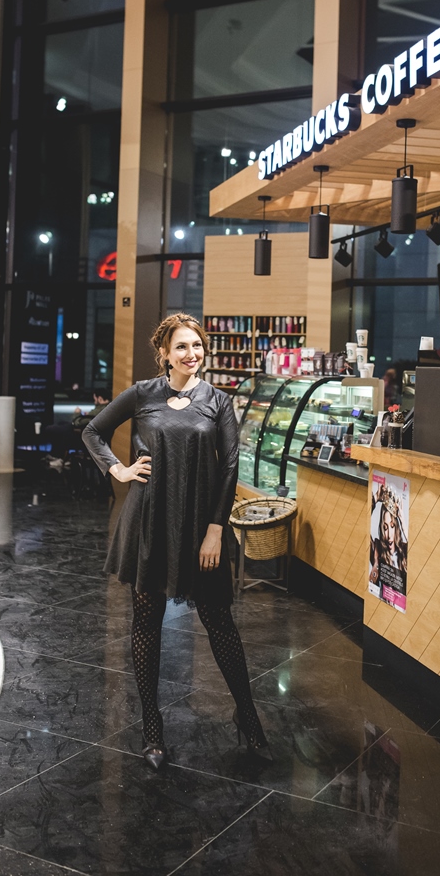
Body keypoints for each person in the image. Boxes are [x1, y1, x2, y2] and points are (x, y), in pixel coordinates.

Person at [82, 312, 270, 770]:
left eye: (198, 346)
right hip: (149, 518)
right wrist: (119, 470)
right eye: (182, 347)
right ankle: (152, 729)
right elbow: (92, 431)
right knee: (146, 623)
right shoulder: (143, 394)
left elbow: (229, 467)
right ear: (164, 353)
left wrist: (215, 529)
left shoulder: (218, 401)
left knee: (220, 621)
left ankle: (247, 716)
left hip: (199, 525)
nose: (192, 354)